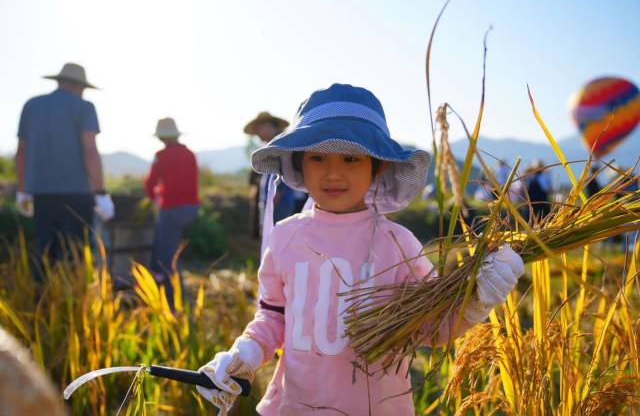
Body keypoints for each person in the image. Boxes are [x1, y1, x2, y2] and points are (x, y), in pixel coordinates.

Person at [196, 84, 525, 415]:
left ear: (377, 166)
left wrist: (475, 300)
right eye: (318, 157)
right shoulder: (286, 238)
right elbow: (273, 316)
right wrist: (246, 354)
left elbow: (432, 326)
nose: (333, 171)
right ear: (299, 163)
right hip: (295, 406)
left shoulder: (396, 244)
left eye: (351, 158)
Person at [14, 63, 114, 270]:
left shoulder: (32, 106)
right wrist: (101, 193)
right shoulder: (84, 107)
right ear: (78, 85)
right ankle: (74, 301)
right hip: (76, 197)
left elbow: (21, 151)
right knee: (75, 255)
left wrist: (22, 191)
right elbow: (90, 151)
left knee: (45, 254)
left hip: (42, 195)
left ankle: (43, 299)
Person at [144, 117, 200, 308]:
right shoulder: (189, 154)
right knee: (168, 251)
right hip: (191, 208)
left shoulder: (161, 155)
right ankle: (170, 295)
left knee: (166, 258)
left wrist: (154, 197)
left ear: (161, 137)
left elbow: (150, 184)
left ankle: (174, 302)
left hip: (172, 209)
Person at [244, 112, 307, 239]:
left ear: (271, 127)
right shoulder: (270, 148)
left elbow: (287, 171)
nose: (258, 132)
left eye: (260, 127)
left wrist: (278, 192)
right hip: (273, 201)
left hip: (280, 202)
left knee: (278, 238)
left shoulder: (281, 148)